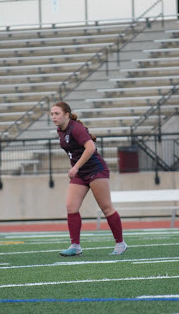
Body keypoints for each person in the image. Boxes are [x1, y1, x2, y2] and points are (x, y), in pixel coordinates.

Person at [51, 101, 127, 256]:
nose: (53, 117)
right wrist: (78, 168)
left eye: (57, 113)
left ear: (66, 115)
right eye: (52, 114)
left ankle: (120, 243)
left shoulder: (76, 128)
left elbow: (90, 147)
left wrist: (76, 167)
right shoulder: (61, 129)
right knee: (71, 207)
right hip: (81, 173)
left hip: (95, 170)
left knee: (106, 208)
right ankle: (75, 246)